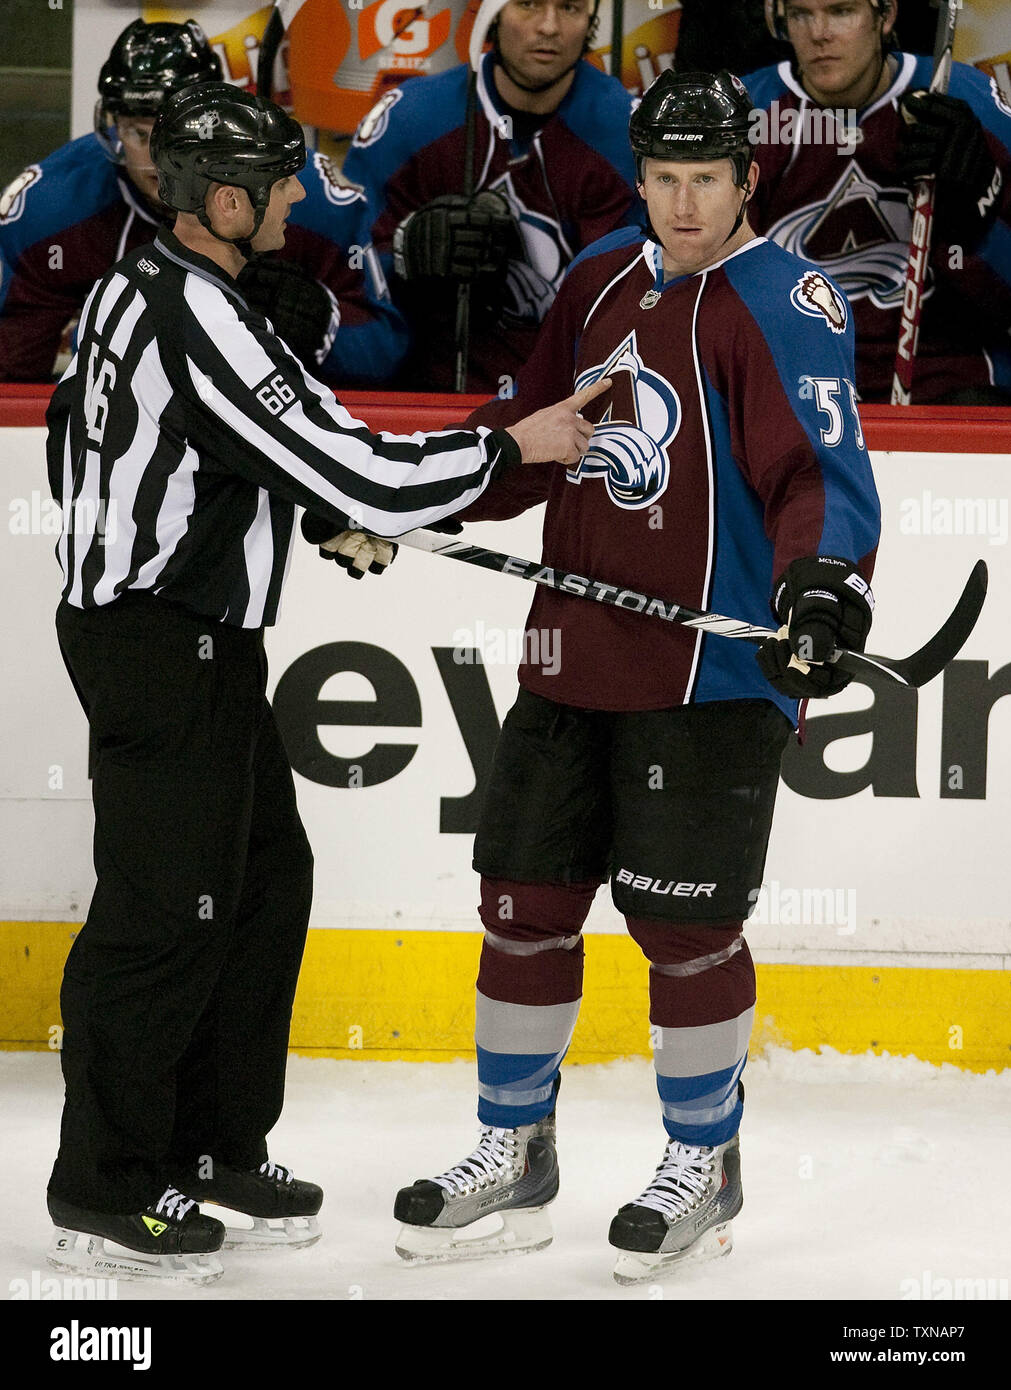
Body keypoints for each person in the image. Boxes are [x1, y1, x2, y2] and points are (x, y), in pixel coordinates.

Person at [44, 79, 607, 1286]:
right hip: (159, 644)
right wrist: (515, 446)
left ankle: (208, 1146)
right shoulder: (200, 313)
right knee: (167, 913)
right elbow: (354, 466)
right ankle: (106, 1183)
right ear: (228, 200)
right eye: (283, 185)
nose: (303, 199)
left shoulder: (150, 290)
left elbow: (210, 449)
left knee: (257, 885)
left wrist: (305, 500)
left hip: (192, 638)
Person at [389, 69, 881, 1284]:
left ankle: (701, 1161)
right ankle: (513, 1147)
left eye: (703, 179)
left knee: (684, 924)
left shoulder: (785, 298)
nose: (681, 203)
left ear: (744, 178)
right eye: (662, 178)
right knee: (522, 900)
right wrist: (398, 496)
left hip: (710, 674)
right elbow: (529, 425)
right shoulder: (600, 274)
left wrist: (820, 582)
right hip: (571, 650)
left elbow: (816, 470)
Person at [0, 18, 407, 385]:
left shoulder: (307, 198)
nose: (157, 159)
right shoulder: (50, 209)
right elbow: (13, 382)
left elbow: (388, 352)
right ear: (113, 128)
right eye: (139, 135)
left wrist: (322, 327)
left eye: (173, 133)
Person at [341, 0, 640, 393]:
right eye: (528, 4)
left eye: (569, 7)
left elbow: (642, 300)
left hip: (568, 411)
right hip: (425, 407)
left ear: (591, 19)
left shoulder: (625, 135)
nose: (548, 27)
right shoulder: (408, 121)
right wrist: (405, 253)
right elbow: (344, 270)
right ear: (491, 13)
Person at [741, 0, 1011, 404]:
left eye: (841, 11)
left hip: (948, 382)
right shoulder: (744, 114)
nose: (819, 33)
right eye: (801, 14)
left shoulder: (963, 99)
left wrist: (975, 222)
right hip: (794, 387)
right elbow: (697, 284)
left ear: (885, 17)